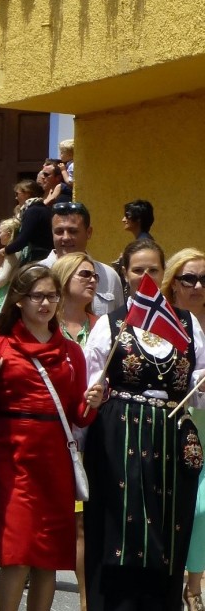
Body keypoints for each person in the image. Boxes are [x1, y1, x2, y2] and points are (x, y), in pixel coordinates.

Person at [0, 264, 102, 611]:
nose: (45, 303)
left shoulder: (71, 353)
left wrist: (93, 403)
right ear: (18, 300)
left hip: (54, 463)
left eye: (52, 296)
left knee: (48, 557)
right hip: (12, 460)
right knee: (17, 554)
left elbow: (77, 416)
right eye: (37, 296)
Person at [83, 239, 205, 611]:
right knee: (118, 528)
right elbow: (92, 381)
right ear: (125, 273)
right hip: (118, 436)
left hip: (170, 437)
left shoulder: (186, 324)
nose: (146, 277)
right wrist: (95, 392)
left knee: (169, 528)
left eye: (153, 269)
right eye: (138, 270)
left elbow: (196, 385)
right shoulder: (110, 323)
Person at [51, 252, 100, 611]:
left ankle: (86, 602)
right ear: (64, 278)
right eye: (84, 274)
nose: (92, 280)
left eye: (95, 275)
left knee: (84, 522)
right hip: (53, 433)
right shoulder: (45, 323)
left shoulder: (103, 324)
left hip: (95, 432)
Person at [162, 248, 205, 611]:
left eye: (204, 279)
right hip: (183, 425)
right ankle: (184, 581)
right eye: (189, 278)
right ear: (173, 282)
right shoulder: (168, 323)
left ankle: (194, 583)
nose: (197, 285)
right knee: (194, 508)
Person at [39, 201, 124, 316]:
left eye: (73, 231)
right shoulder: (36, 274)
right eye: (59, 231)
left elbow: (119, 324)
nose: (66, 237)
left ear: (88, 233)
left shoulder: (109, 277)